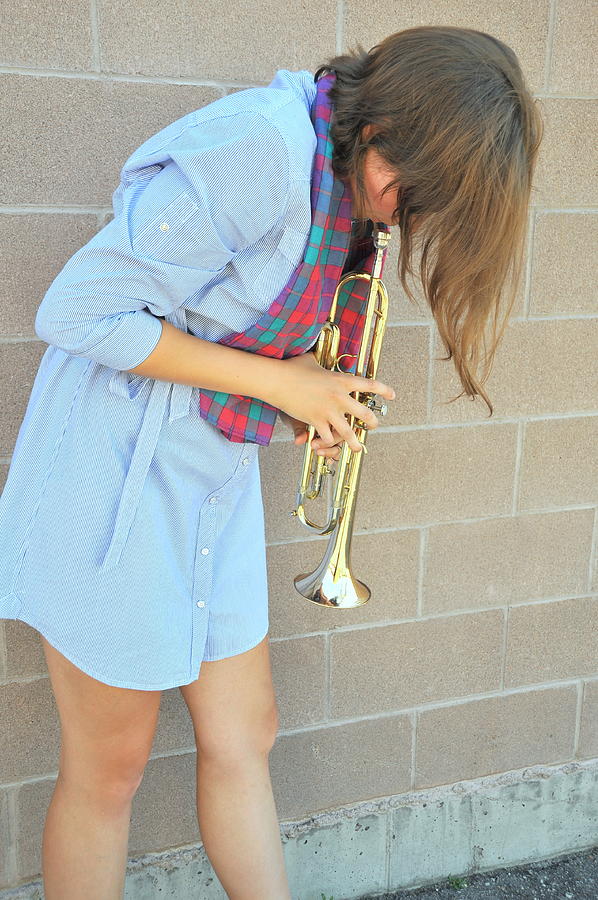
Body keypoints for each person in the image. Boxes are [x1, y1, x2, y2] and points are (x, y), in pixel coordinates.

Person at [0, 25, 543, 900]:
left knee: (245, 733)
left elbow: (244, 332)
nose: (403, 218)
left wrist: (307, 396)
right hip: (117, 466)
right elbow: (81, 312)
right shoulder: (263, 149)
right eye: (408, 193)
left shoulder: (342, 179)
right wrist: (280, 385)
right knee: (111, 769)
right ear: (378, 129)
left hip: (210, 466)